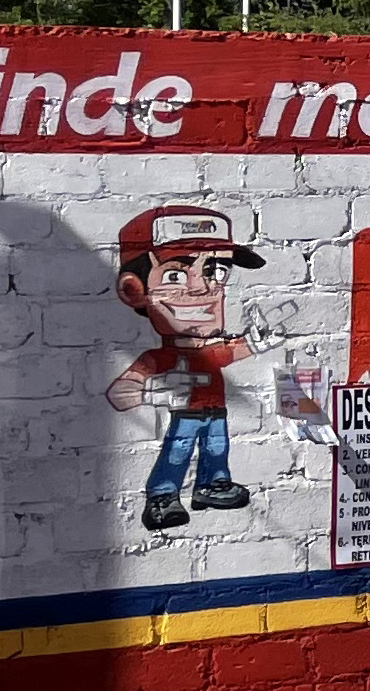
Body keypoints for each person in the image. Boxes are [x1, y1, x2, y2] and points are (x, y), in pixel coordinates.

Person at [107, 202, 263, 531]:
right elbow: (120, 393)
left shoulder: (212, 350)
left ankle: (212, 484)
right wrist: (158, 395)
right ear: (134, 290)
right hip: (185, 415)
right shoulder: (158, 358)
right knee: (177, 452)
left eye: (216, 271)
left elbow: (233, 352)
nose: (202, 288)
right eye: (176, 274)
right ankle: (163, 495)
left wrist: (260, 341)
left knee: (217, 447)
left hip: (215, 411)